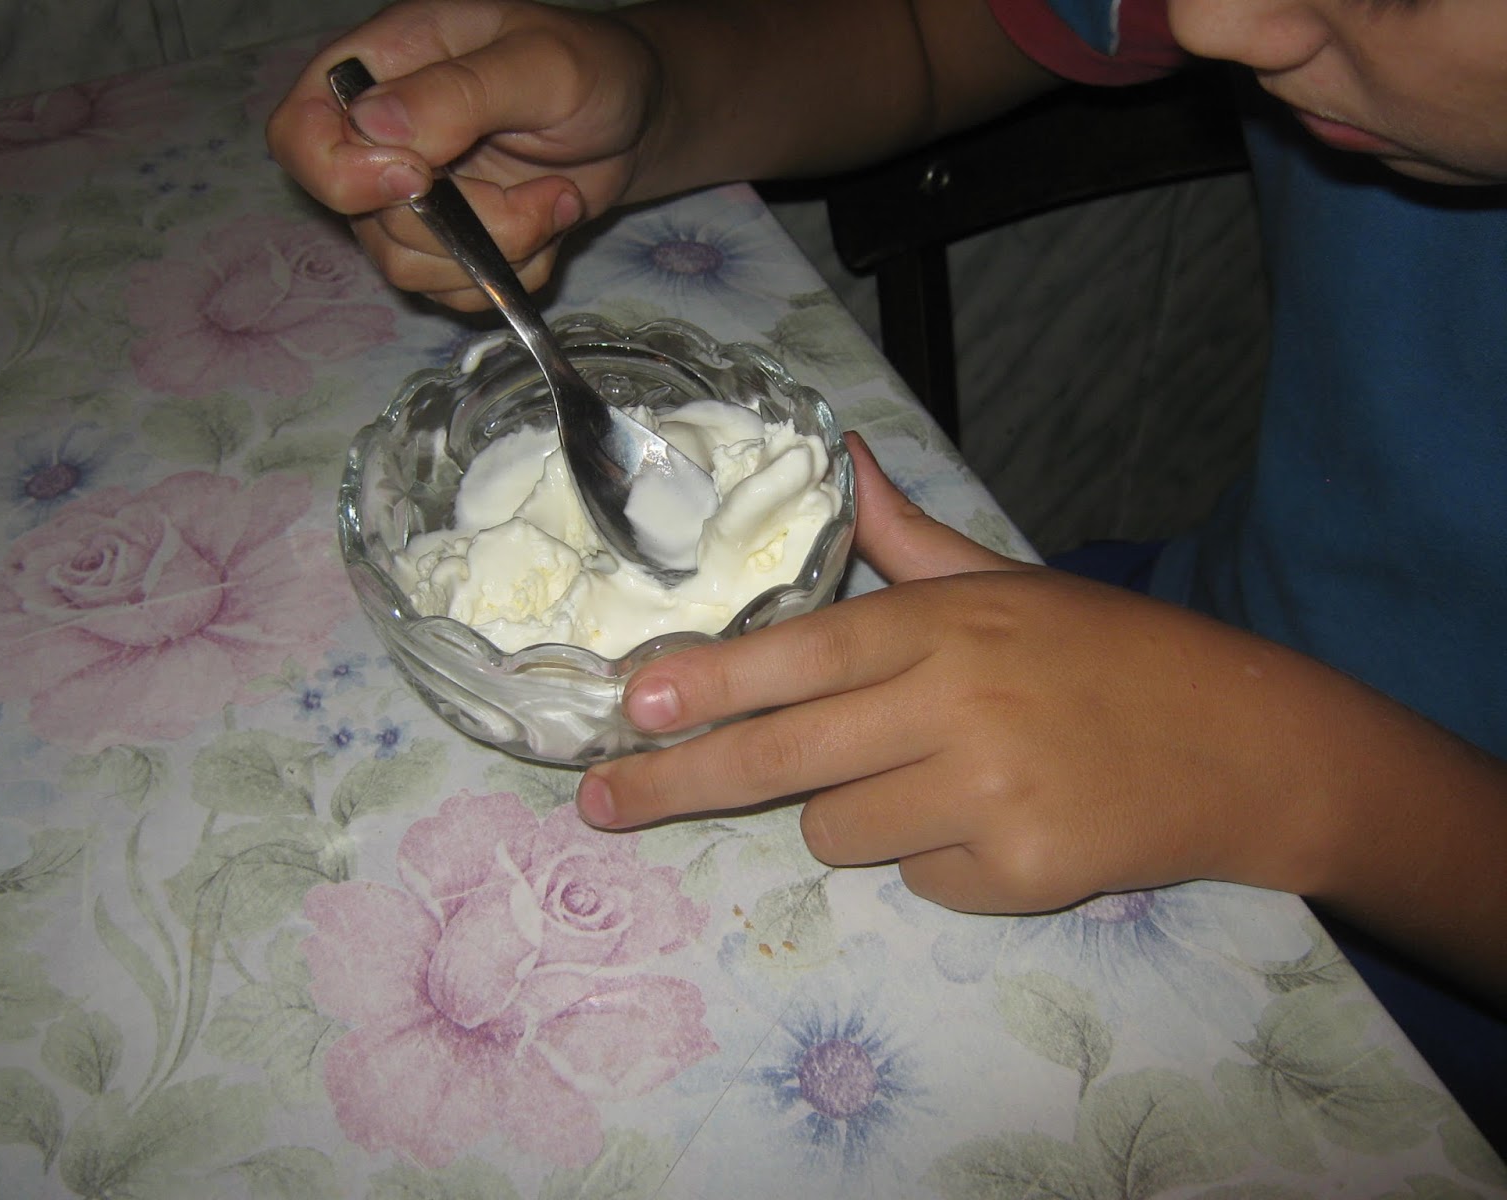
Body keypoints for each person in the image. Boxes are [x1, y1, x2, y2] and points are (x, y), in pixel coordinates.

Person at [269, 0, 1507, 1134]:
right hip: (1162, 633)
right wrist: (656, 94)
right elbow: (935, 31)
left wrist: (1290, 774)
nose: (1213, 22)